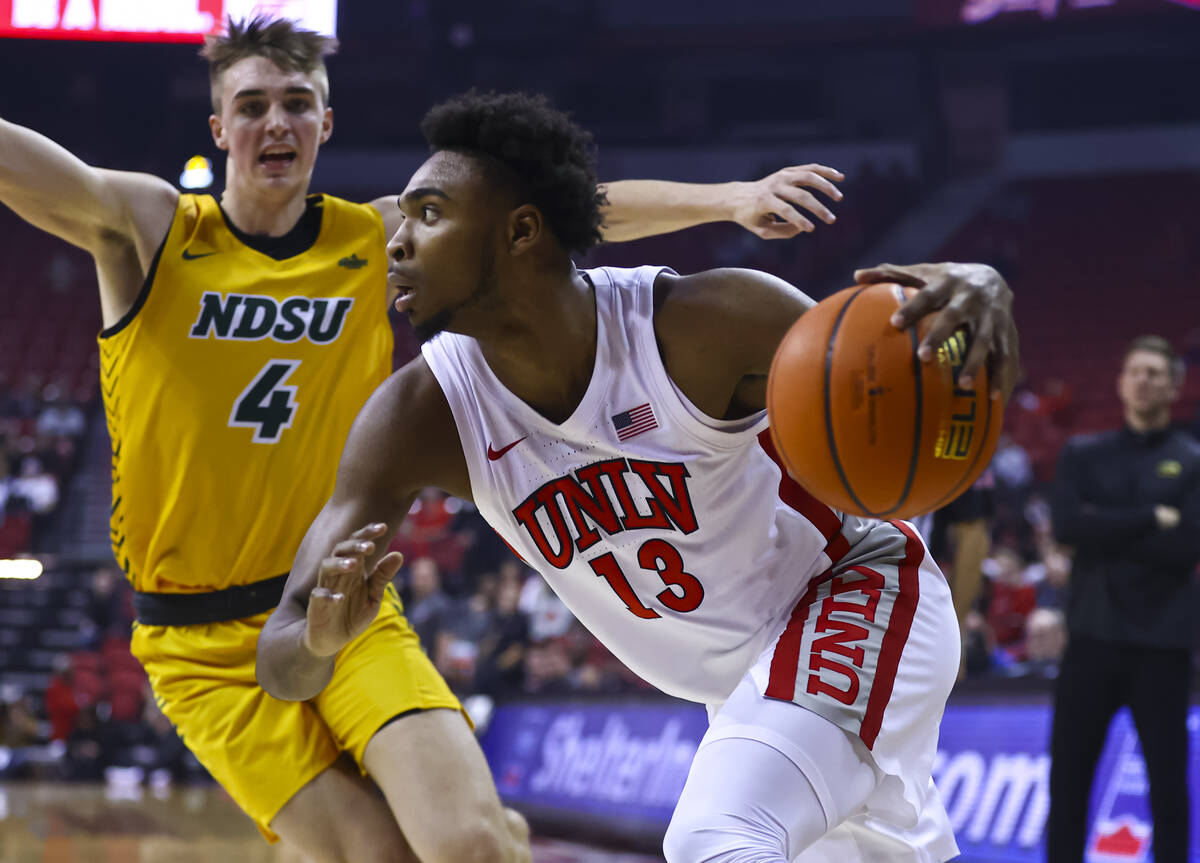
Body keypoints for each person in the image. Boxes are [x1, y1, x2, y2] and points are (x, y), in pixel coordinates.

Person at [0, 16, 853, 862]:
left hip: (346, 596)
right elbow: (33, 170)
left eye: (298, 103)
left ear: (325, 124)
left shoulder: (373, 238)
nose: (276, 123)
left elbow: (563, 211)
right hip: (200, 640)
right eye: (252, 104)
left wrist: (730, 200)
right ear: (218, 125)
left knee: (470, 845)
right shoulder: (152, 229)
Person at [258, 90, 1020, 863]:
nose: (395, 241)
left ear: (521, 231)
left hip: (855, 595)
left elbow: (919, 383)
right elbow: (279, 653)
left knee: (715, 838)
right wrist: (320, 637)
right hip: (745, 684)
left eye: (427, 214)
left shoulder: (700, 327)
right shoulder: (419, 418)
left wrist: (981, 304)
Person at [1047, 335, 1200, 863]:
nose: (1144, 380)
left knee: (1168, 788)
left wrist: (1102, 527)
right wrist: (1151, 518)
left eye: (1156, 373)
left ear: (1176, 386)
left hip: (1163, 645)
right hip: (1090, 637)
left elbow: (1187, 545)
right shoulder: (1083, 454)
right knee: (1068, 780)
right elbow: (1067, 525)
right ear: (1120, 381)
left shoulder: (1193, 458)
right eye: (1135, 371)